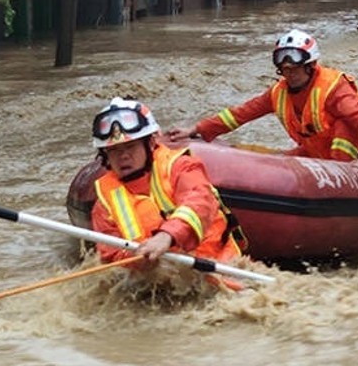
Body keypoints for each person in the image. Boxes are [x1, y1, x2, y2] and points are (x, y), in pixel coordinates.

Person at [167, 29, 358, 161]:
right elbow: (239, 115)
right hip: (316, 154)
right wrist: (196, 129)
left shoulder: (332, 87)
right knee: (276, 159)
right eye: (285, 69)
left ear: (310, 66)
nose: (291, 74)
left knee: (344, 125)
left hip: (351, 154)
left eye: (296, 68)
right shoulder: (278, 93)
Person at [89, 97, 246, 283]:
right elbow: (111, 256)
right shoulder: (104, 204)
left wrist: (167, 236)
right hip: (158, 282)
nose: (123, 156)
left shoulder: (181, 167)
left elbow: (199, 201)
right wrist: (137, 262)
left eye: (130, 146)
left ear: (150, 143)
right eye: (114, 150)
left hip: (216, 267)